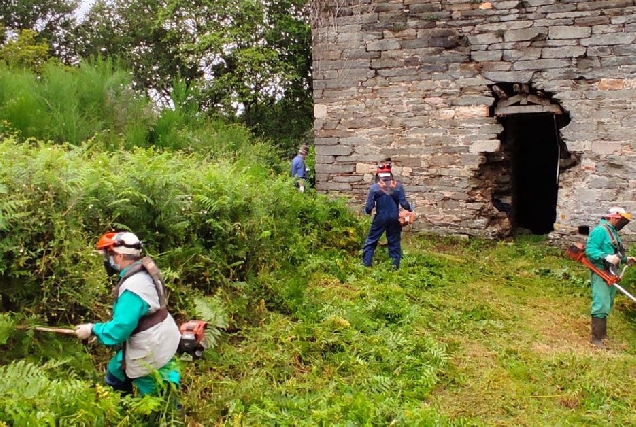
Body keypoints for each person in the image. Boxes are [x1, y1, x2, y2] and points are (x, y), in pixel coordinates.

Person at [74, 231, 181, 396]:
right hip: (161, 335)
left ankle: (157, 415)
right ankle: (124, 405)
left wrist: (92, 329)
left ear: (119, 256)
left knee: (157, 398)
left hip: (151, 345)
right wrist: (100, 333)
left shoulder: (133, 287)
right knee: (115, 371)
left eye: (110, 255)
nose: (108, 260)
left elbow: (120, 329)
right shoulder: (142, 271)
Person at [585, 207, 636, 349]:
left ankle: (602, 334)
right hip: (601, 270)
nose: (623, 224)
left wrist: (626, 259)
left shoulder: (612, 232)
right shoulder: (600, 230)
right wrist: (605, 257)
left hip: (612, 271)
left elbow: (614, 252)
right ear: (614, 217)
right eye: (622, 221)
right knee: (601, 301)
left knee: (608, 301)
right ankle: (596, 339)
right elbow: (590, 250)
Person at [362, 161, 413, 269]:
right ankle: (394, 267)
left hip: (380, 217)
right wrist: (410, 209)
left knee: (371, 241)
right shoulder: (398, 186)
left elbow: (369, 207)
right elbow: (404, 203)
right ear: (390, 175)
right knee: (394, 242)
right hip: (394, 218)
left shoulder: (374, 188)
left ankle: (366, 265)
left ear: (378, 175)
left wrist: (366, 212)